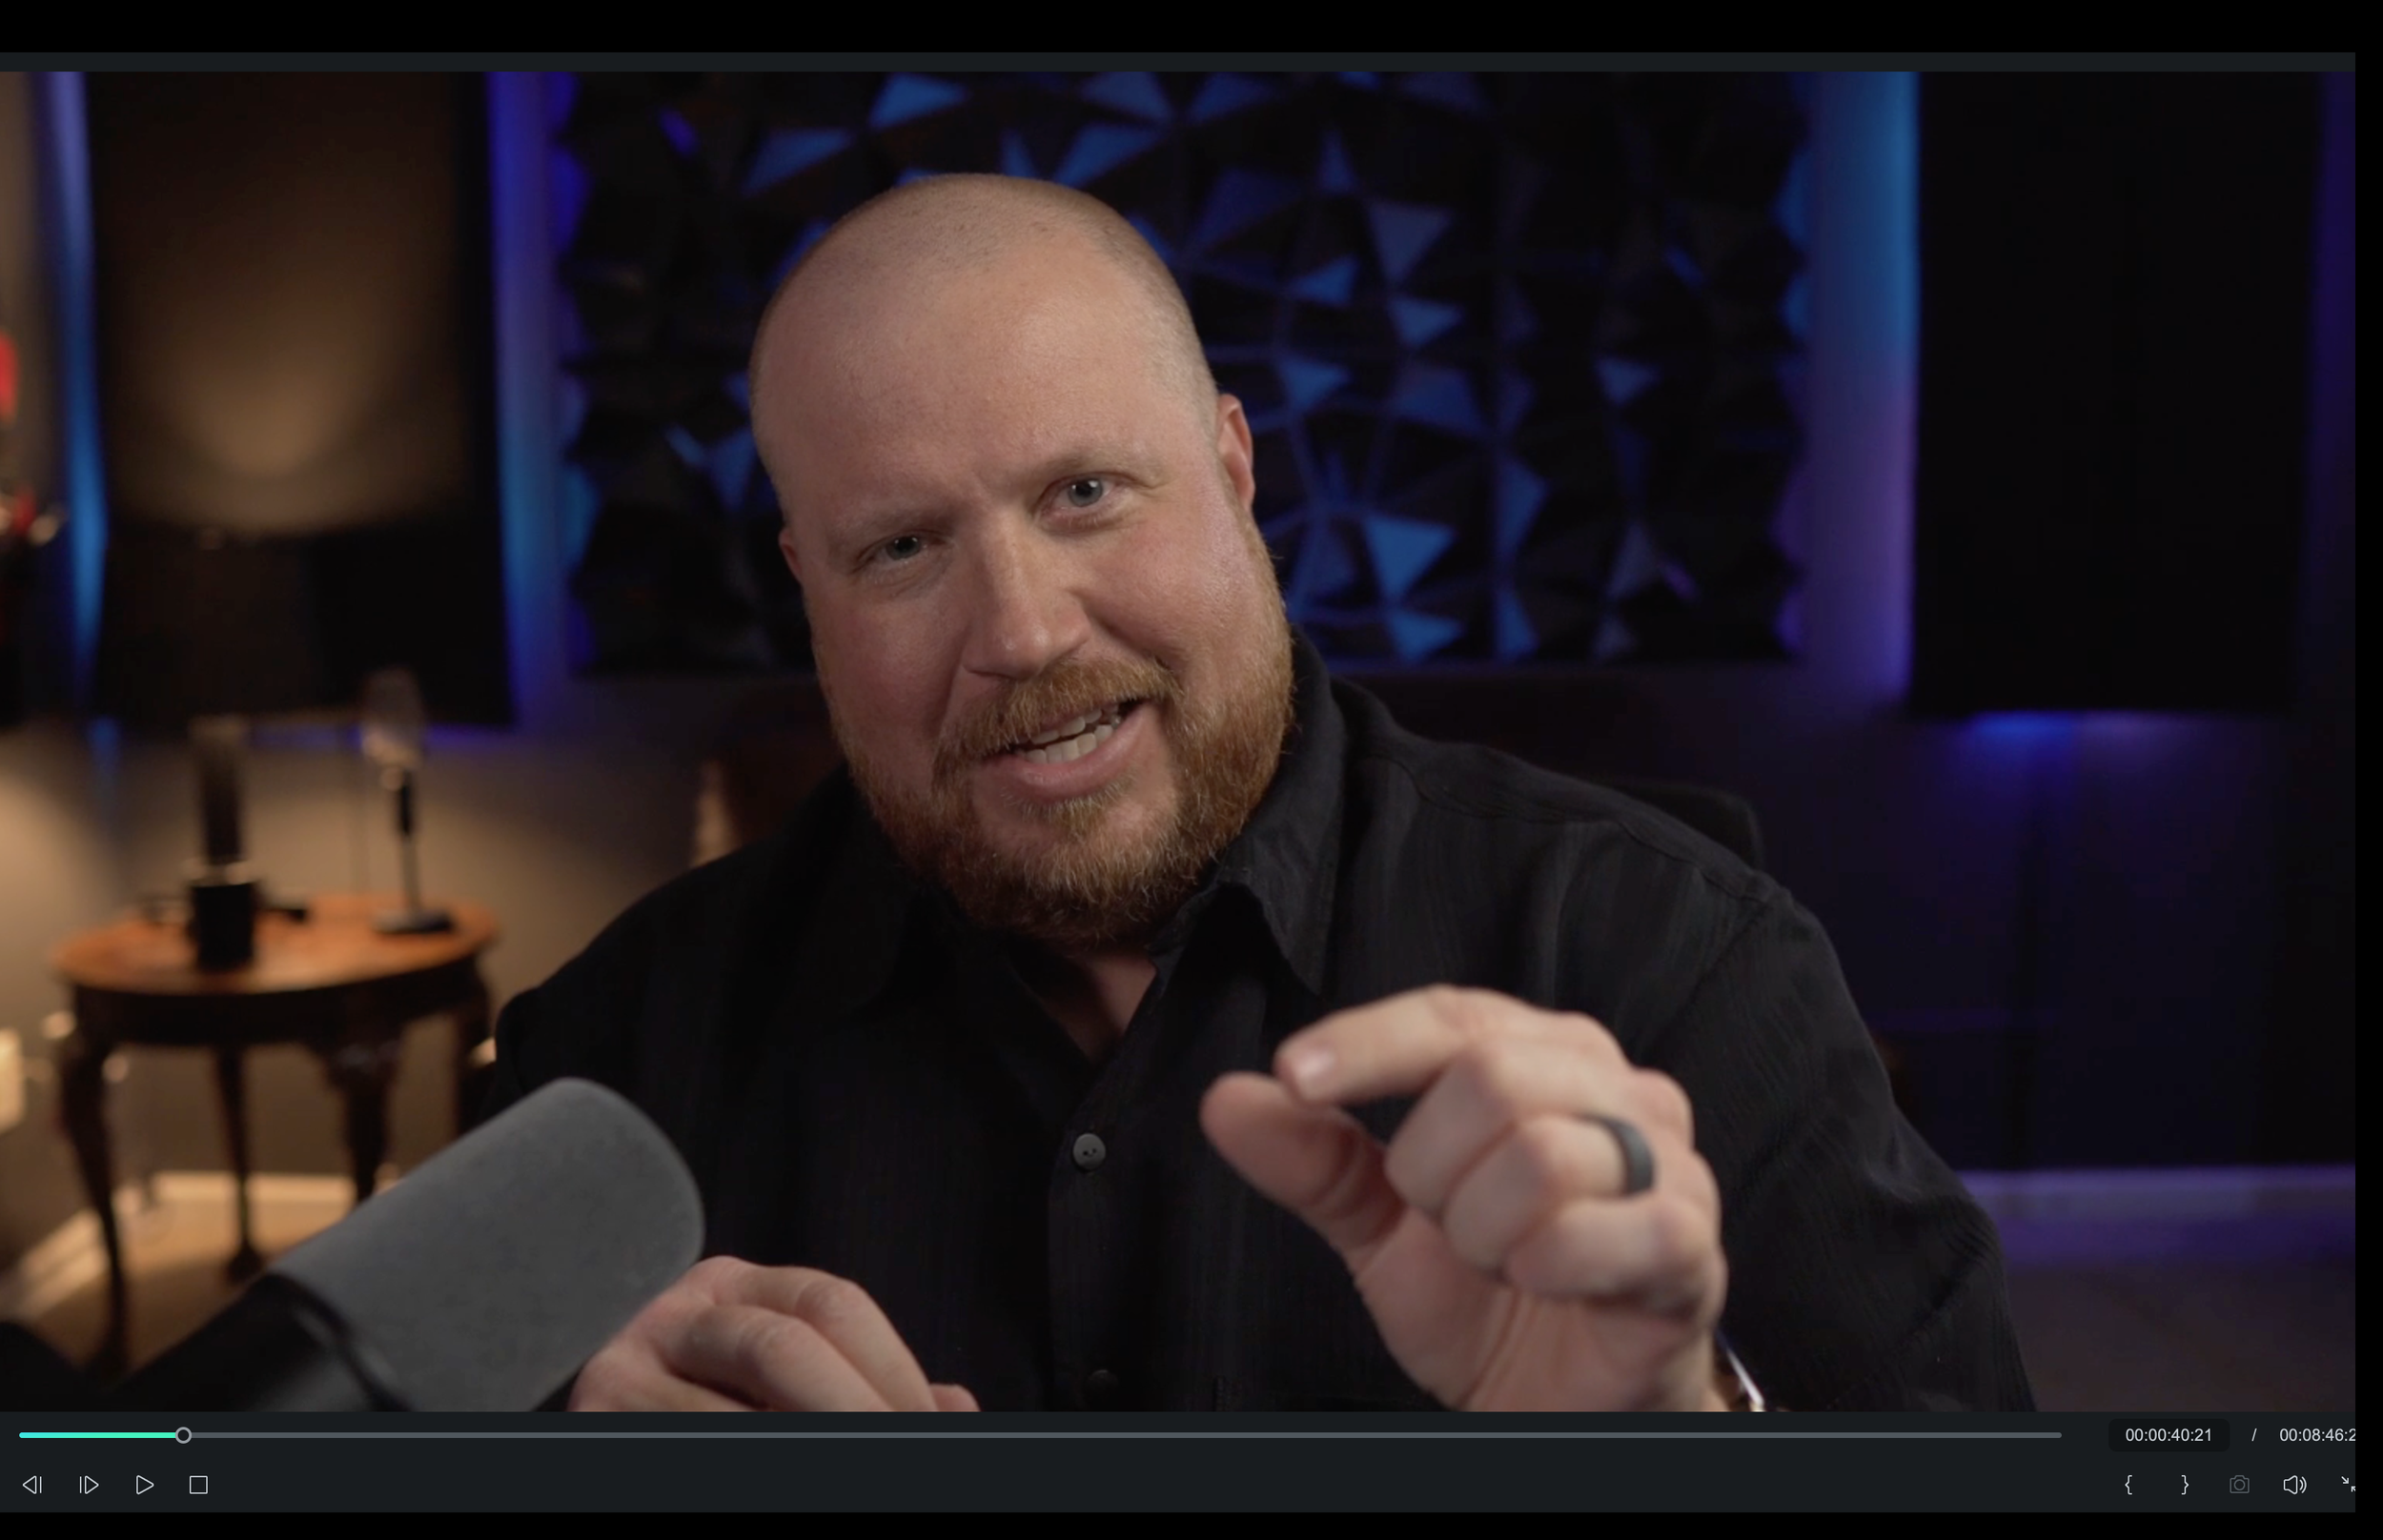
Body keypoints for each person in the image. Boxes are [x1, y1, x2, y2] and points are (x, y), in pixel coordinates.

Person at [485, 174, 2033, 1413]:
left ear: (1235, 473)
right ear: (807, 590)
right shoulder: (611, 1053)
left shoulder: (1678, 959)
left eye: (1085, 492)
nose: (1021, 631)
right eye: (901, 548)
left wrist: (1676, 1422)